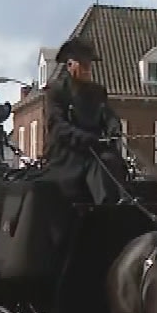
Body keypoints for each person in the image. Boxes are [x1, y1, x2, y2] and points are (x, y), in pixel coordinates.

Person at [40, 36, 129, 205]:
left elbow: (108, 115)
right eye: (83, 64)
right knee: (98, 163)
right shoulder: (56, 91)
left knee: (111, 160)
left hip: (96, 148)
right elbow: (57, 126)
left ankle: (122, 199)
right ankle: (105, 205)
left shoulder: (97, 91)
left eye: (89, 64)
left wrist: (113, 127)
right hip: (69, 153)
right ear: (70, 64)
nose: (88, 69)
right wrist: (85, 138)